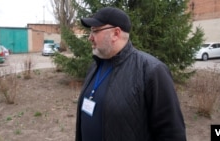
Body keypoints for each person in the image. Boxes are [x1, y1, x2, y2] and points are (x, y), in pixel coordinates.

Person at [75, 6, 186, 141]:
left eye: (95, 31)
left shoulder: (152, 70)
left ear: (116, 33)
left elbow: (171, 133)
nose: (90, 38)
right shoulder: (96, 65)